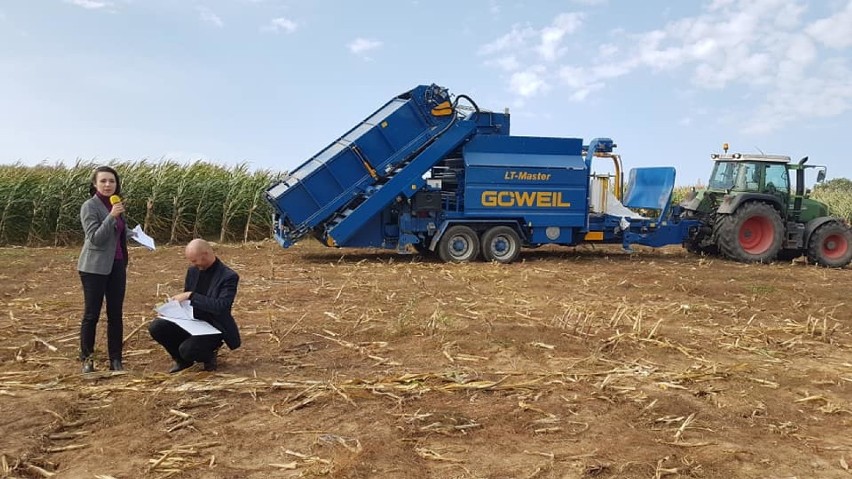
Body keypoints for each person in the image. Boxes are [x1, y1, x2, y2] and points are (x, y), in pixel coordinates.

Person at [148, 239, 241, 373]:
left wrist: (191, 295)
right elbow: (186, 302)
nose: (193, 264)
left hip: (213, 326)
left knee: (188, 350)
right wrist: (170, 311)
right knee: (157, 327)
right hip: (191, 321)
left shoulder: (228, 276)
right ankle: (182, 361)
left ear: (206, 254)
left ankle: (209, 356)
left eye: (195, 260)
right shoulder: (193, 271)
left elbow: (221, 306)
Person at [78, 166, 134, 373]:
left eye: (112, 181)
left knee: (115, 314)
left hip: (117, 265)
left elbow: (118, 231)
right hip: (94, 268)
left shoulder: (116, 203)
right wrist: (111, 216)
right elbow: (95, 237)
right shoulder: (89, 206)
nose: (108, 185)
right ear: (95, 184)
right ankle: (87, 359)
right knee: (91, 314)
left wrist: (135, 234)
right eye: (103, 181)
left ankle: (116, 360)